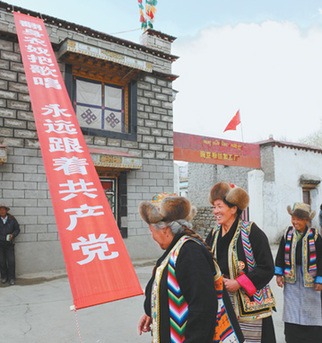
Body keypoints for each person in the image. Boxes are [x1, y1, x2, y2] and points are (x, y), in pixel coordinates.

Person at [137, 193, 244, 343]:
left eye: (151, 231)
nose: (153, 237)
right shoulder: (175, 251)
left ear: (165, 229)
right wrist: (154, 312)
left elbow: (203, 308)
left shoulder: (189, 252)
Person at [205, 182, 276, 343]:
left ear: (233, 208)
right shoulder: (214, 233)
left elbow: (267, 267)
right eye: (213, 207)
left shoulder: (251, 232)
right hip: (223, 301)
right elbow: (206, 262)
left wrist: (239, 283)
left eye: (219, 206)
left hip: (250, 304)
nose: (215, 211)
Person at [275, 202, 322, 343]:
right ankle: (293, 337)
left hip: (311, 280)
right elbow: (280, 254)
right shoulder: (287, 234)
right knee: (292, 309)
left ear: (307, 221)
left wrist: (320, 278)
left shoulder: (315, 236)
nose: (295, 222)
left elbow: (321, 258)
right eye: (293, 218)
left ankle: (313, 338)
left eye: (299, 219)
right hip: (292, 279)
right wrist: (279, 274)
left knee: (312, 308)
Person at [0, 204, 20, 285]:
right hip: (0, 245)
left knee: (11, 262)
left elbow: (17, 229)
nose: (1, 211)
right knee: (2, 262)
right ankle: (4, 277)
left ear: (7, 211)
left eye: (3, 210)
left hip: (9, 244)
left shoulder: (12, 219)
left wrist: (13, 235)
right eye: (0, 210)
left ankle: (11, 278)